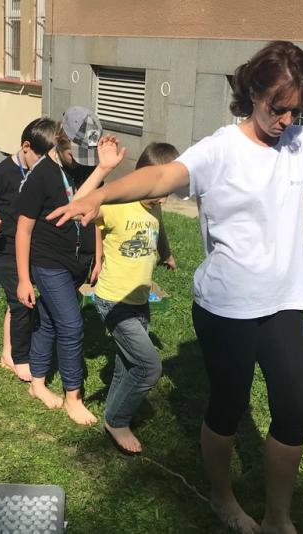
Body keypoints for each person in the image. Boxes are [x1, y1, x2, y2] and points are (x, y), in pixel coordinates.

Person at [46, 40, 303, 534]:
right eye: (278, 108)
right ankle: (223, 498)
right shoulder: (222, 148)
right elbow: (162, 177)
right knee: (229, 405)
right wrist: (103, 194)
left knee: (294, 408)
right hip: (226, 306)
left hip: (284, 303)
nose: (287, 120)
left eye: (297, 111)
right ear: (254, 92)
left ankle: (279, 514)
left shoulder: (302, 145)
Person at [14, 120, 124, 426]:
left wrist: (98, 256)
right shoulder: (42, 176)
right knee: (72, 325)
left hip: (79, 262)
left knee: (49, 321)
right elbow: (24, 230)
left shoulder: (85, 169)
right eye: (75, 154)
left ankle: (37, 382)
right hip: (49, 263)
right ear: (60, 144)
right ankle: (73, 398)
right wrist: (24, 278)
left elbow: (91, 210)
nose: (81, 162)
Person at [93, 142, 178, 455]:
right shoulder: (119, 201)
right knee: (149, 367)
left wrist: (166, 253)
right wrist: (102, 171)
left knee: (127, 363)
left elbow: (160, 228)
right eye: (162, 189)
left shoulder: (154, 206)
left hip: (139, 299)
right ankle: (118, 420)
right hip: (114, 300)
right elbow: (84, 206)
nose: (164, 199)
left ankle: (112, 416)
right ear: (145, 176)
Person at [0, 118, 58, 382]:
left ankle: (7, 353)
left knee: (17, 299)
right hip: (2, 247)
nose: (44, 164)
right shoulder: (2, 172)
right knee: (21, 300)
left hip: (27, 246)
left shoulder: (43, 172)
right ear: (26, 146)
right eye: (41, 157)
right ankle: (20, 358)